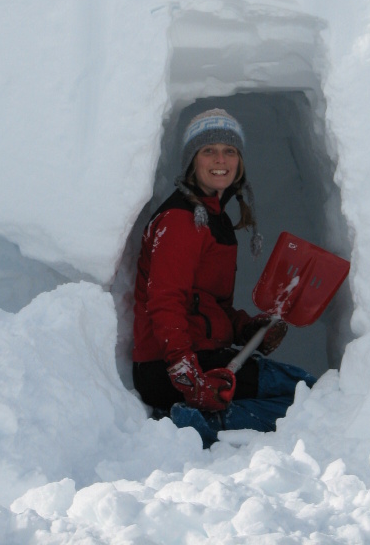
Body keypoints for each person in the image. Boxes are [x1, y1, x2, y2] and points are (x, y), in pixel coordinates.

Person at [132, 108, 315, 446]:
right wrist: (186, 375)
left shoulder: (214, 217)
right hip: (171, 366)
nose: (220, 159)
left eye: (229, 150)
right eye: (208, 150)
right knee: (312, 397)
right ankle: (196, 422)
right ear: (193, 161)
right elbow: (165, 300)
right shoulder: (180, 220)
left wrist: (247, 329)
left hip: (202, 357)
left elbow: (207, 305)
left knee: (308, 393)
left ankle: (202, 418)